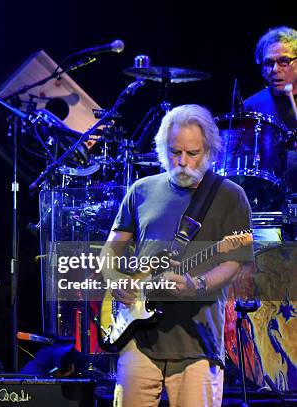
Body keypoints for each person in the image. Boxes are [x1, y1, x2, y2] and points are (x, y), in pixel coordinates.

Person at [102, 104, 252, 406]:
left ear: (208, 150)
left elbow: (234, 263)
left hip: (197, 344)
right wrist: (115, 278)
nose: (182, 162)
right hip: (137, 339)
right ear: (161, 148)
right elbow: (111, 248)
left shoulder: (230, 195)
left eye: (192, 153)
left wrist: (196, 285)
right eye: (174, 152)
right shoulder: (141, 189)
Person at [244, 26, 297, 204]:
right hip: (268, 201)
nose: (275, 69)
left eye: (284, 61)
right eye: (268, 63)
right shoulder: (252, 106)